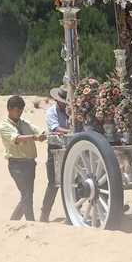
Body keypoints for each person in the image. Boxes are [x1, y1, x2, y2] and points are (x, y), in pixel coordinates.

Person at [0, 95, 48, 221]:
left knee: (28, 197)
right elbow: (15, 139)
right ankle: (24, 222)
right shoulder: (4, 126)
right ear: (9, 109)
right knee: (26, 195)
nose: (19, 113)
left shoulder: (26, 123)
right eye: (17, 110)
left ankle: (21, 222)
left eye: (21, 110)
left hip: (30, 163)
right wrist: (33, 137)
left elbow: (41, 132)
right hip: (16, 164)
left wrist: (50, 134)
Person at [39, 86, 72, 222]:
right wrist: (70, 131)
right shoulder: (51, 112)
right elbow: (55, 128)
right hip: (55, 147)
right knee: (53, 183)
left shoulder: (72, 111)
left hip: (70, 146)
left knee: (74, 182)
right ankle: (44, 214)